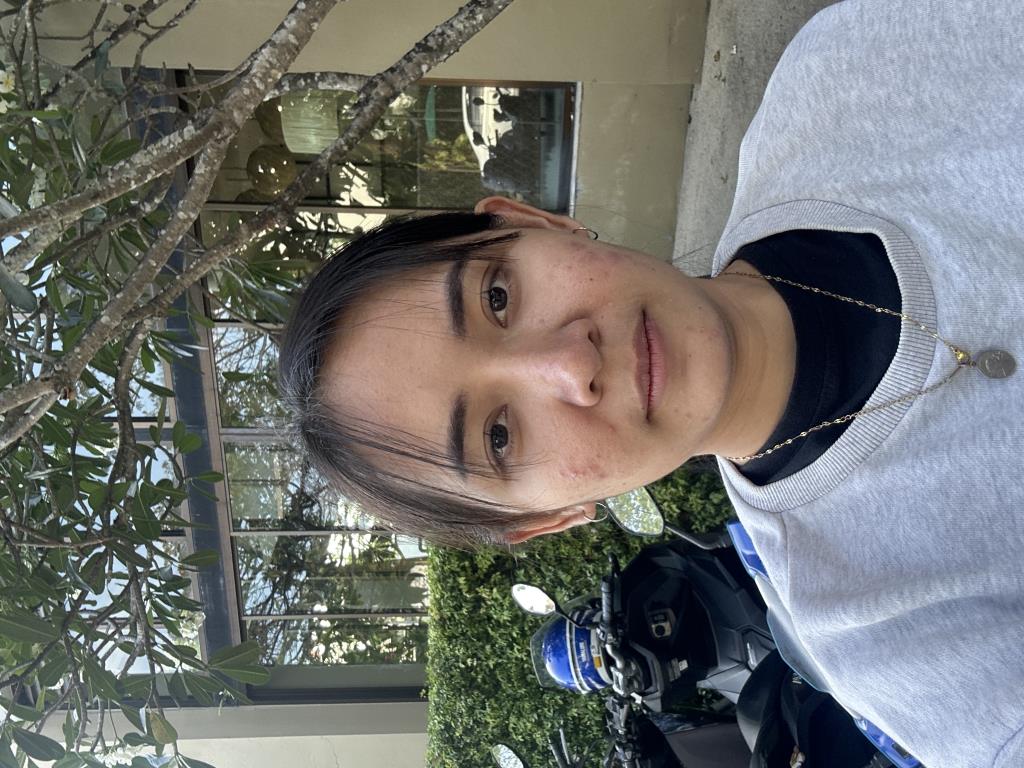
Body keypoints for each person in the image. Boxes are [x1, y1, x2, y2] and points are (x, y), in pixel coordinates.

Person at [277, 1, 1023, 766]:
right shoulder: (888, 639)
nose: (568, 365)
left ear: (537, 222)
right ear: (551, 518)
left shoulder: (853, 77)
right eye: (498, 436)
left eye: (497, 296)